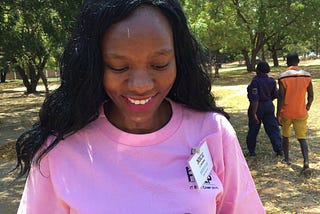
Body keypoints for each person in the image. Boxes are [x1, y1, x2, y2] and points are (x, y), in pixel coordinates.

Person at [15, 0, 265, 213]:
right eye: (119, 67)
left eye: (159, 64)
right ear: (92, 64)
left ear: (178, 59)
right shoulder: (58, 150)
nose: (141, 85)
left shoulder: (212, 133)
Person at [277, 51, 314, 176]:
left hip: (286, 112)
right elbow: (311, 95)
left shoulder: (283, 76)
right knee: (302, 138)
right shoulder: (307, 75)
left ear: (287, 62)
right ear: (298, 61)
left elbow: (281, 97)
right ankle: (306, 162)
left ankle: (287, 159)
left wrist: (278, 113)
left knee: (285, 136)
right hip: (300, 112)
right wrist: (307, 106)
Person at [246, 61, 283, 157]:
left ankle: (251, 150)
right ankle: (279, 149)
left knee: (253, 129)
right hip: (269, 105)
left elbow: (255, 99)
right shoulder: (271, 81)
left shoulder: (255, 81)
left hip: (257, 107)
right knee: (273, 128)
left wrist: (254, 113)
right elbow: (275, 94)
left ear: (257, 70)